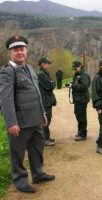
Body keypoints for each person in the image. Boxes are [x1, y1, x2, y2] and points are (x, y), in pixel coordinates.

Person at [0, 35, 55, 193]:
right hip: (21, 122)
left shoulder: (29, 68)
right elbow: (6, 100)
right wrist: (11, 122)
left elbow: (37, 93)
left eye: (22, 49)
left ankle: (38, 174)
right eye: (16, 49)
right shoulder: (7, 72)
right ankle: (20, 180)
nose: (20, 52)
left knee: (37, 149)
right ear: (10, 52)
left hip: (36, 119)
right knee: (17, 153)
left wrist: (43, 112)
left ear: (26, 50)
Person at [67, 61, 91, 141]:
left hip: (82, 99)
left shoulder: (84, 74)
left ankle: (83, 134)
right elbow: (77, 83)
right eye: (74, 68)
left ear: (80, 66)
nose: (75, 69)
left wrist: (73, 85)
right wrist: (72, 83)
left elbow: (84, 86)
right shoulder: (77, 74)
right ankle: (80, 131)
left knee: (81, 116)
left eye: (76, 67)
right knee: (78, 114)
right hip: (78, 98)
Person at [37, 56, 57, 146]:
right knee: (45, 120)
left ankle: (46, 137)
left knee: (48, 119)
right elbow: (50, 86)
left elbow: (52, 84)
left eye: (49, 63)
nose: (49, 65)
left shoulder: (45, 74)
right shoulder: (41, 74)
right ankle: (44, 139)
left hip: (47, 100)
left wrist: (52, 82)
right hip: (44, 101)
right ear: (42, 64)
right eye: (47, 63)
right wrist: (52, 82)